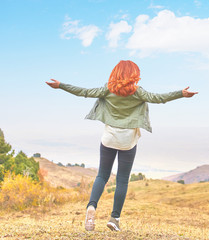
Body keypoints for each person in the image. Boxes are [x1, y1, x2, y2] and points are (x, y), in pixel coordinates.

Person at [45, 60, 198, 232]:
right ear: (133, 75)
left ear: (116, 73)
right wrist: (181, 94)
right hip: (128, 141)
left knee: (102, 175)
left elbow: (84, 92)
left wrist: (61, 85)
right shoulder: (138, 92)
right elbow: (159, 98)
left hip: (108, 138)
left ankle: (92, 207)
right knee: (122, 180)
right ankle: (114, 218)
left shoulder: (108, 89)